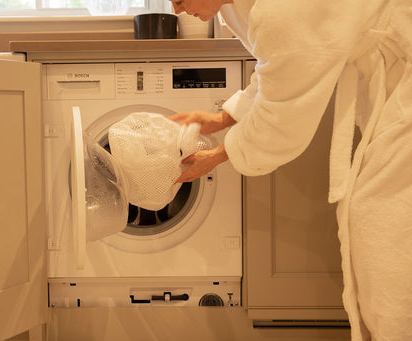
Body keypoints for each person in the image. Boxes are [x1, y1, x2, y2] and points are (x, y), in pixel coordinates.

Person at [168, 0, 412, 340]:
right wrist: (224, 118)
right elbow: (277, 67)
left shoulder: (283, 8)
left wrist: (217, 156)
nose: (176, 10)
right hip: (394, 74)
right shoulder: (235, 7)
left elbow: (281, 124)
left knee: (382, 223)